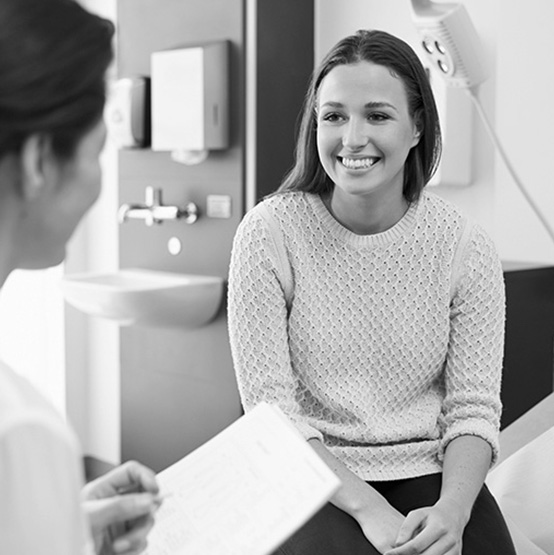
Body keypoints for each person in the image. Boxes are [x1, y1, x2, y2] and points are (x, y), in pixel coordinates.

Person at [228, 29, 516, 555]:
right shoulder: (269, 234)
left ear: (416, 128)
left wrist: (453, 510)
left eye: (377, 116)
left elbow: (473, 409)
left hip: (431, 471)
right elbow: (272, 415)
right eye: (334, 115)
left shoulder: (464, 248)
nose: (351, 138)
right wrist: (370, 511)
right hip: (311, 472)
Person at [0, 0, 162, 553]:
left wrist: (58, 524)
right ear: (40, 160)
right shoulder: (20, 431)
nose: (98, 186)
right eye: (99, 150)